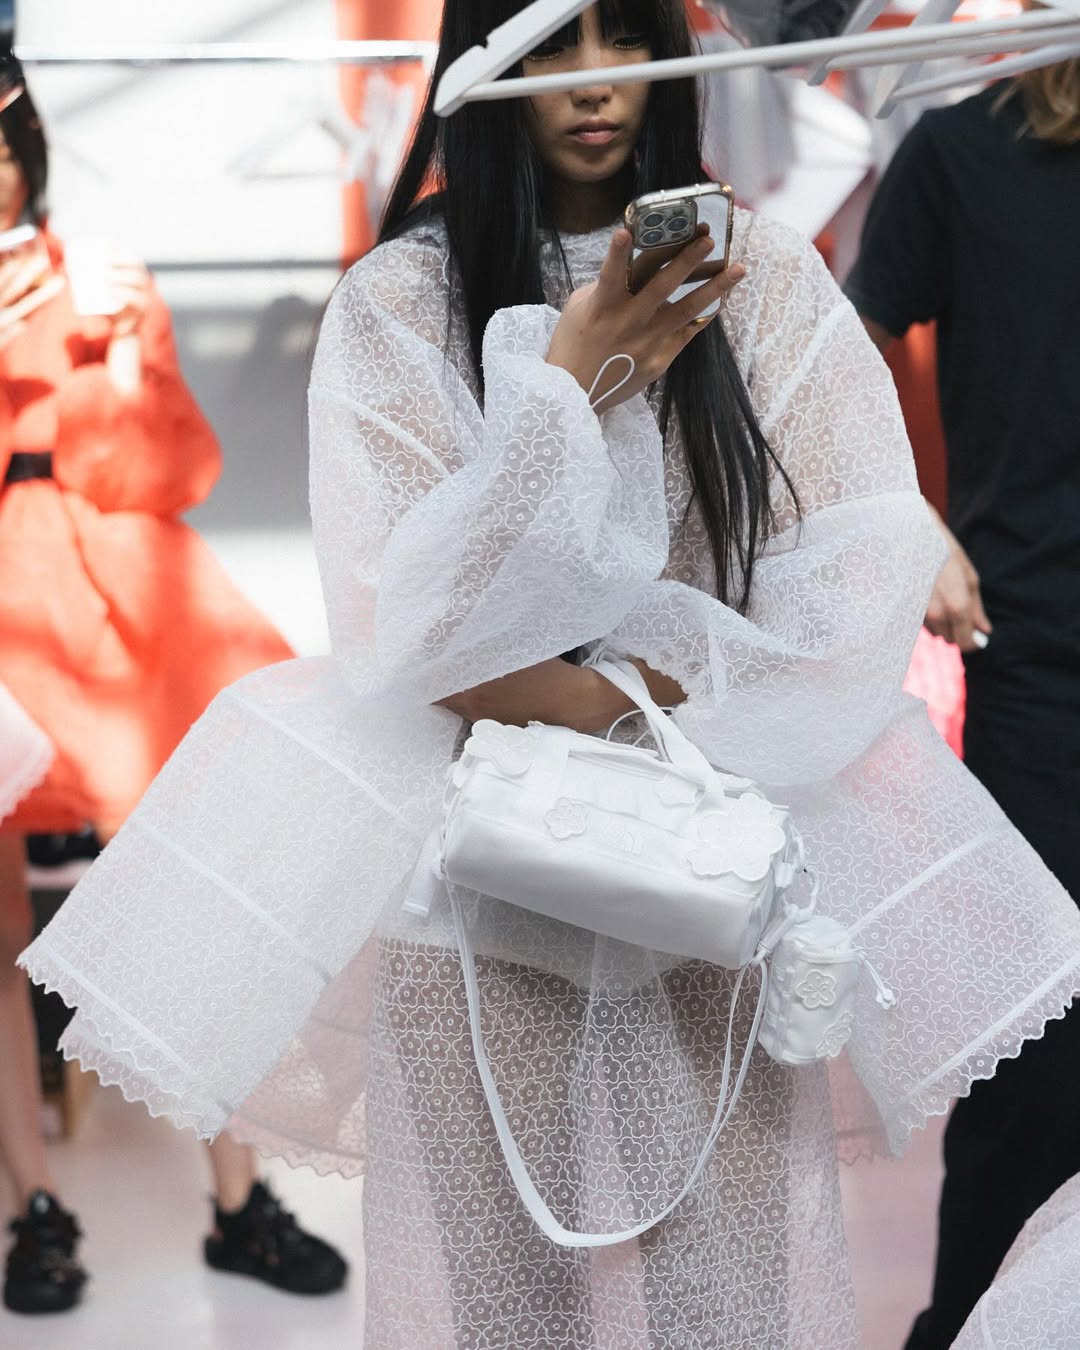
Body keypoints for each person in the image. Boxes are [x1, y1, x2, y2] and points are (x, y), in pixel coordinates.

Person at [17, 4, 1080, 1346]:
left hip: (705, 851)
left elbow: (851, 566)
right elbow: (415, 627)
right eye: (550, 46)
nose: (593, 84)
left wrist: (609, 690)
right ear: (485, 65)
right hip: (483, 868)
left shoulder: (759, 279)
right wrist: (566, 386)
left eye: (625, 39)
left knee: (724, 1280)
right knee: (499, 1291)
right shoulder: (403, 301)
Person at [0, 57, 346, 1313]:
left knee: (192, 908)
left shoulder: (98, 280)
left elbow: (167, 469)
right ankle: (33, 1209)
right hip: (8, 625)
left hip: (122, 614)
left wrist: (118, 351)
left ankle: (239, 1200)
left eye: (3, 139)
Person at [844, 43, 1080, 1350]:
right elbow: (825, 362)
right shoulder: (969, 148)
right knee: (1042, 1068)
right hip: (1044, 666)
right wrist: (909, 520)